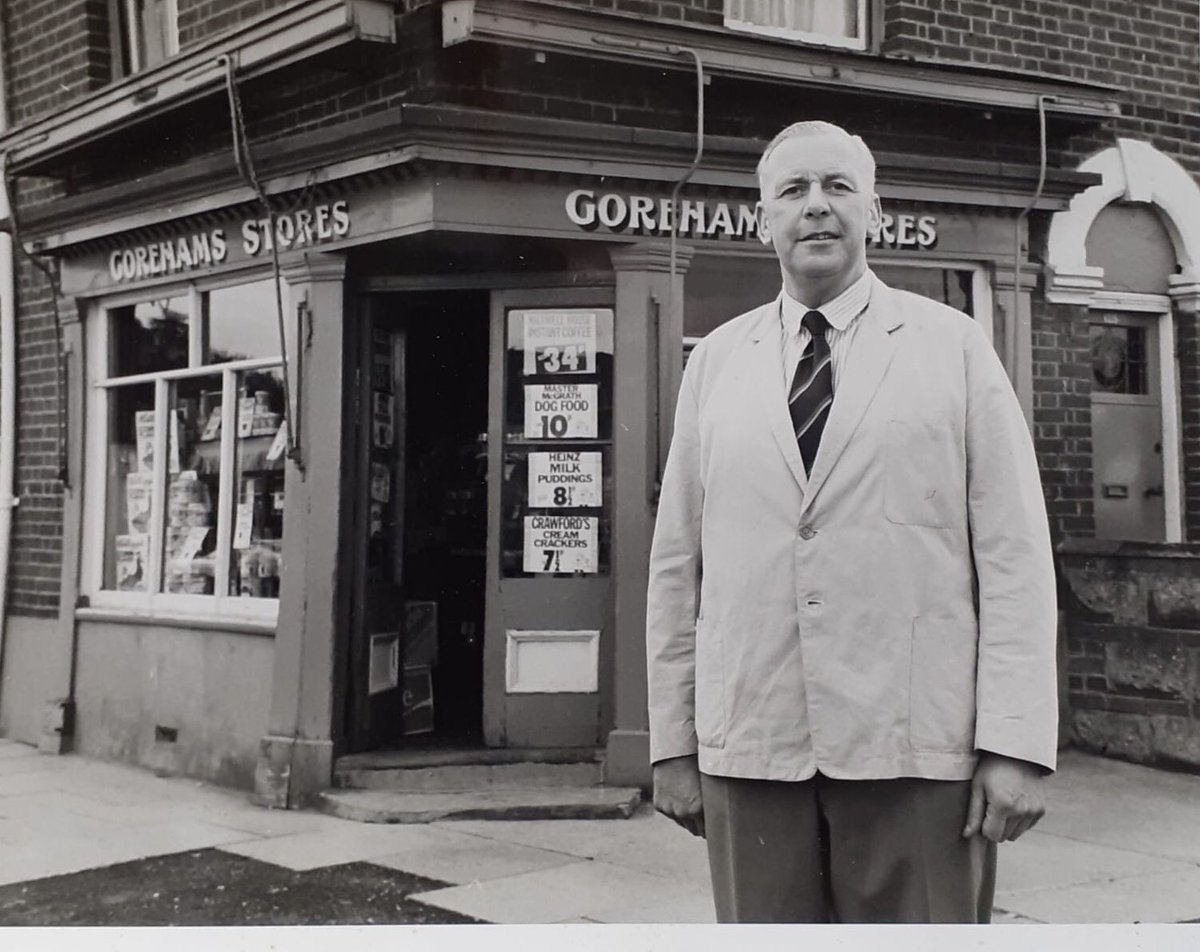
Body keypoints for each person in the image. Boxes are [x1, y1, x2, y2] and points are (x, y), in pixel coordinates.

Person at [645, 120, 1057, 923]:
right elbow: (677, 565)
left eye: (838, 186)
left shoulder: (954, 347)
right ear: (763, 216)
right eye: (793, 190)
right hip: (754, 745)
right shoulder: (716, 362)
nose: (817, 208)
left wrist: (1014, 745)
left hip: (917, 750)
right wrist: (673, 743)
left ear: (875, 209)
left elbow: (1015, 555)